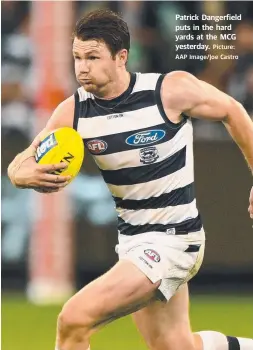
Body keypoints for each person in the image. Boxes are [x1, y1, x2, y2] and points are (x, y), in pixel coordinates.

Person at [7, 9, 253, 350]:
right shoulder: (74, 111)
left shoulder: (167, 91)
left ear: (121, 57)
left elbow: (233, 110)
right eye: (77, 57)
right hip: (134, 242)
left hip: (174, 239)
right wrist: (23, 174)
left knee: (74, 318)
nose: (82, 67)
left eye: (93, 57)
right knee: (175, 345)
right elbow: (22, 161)